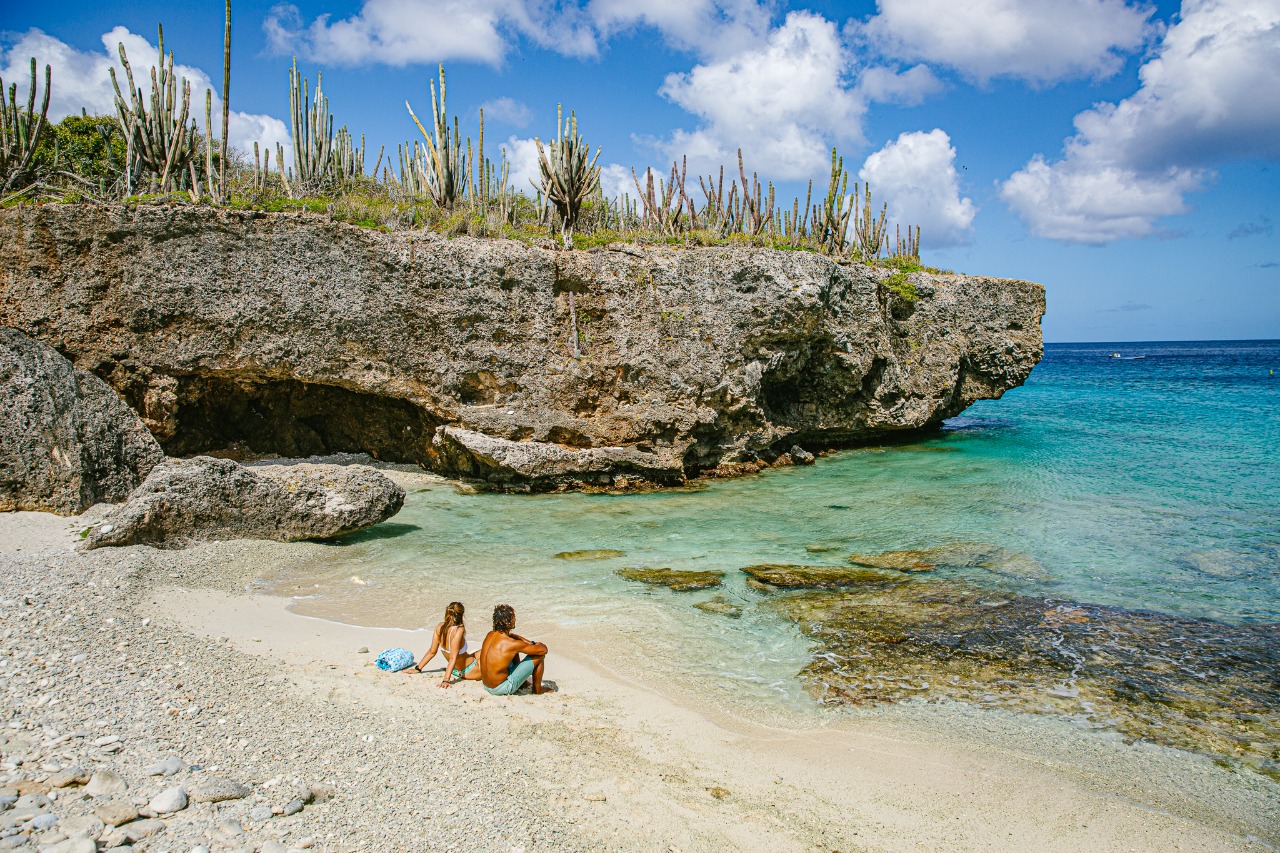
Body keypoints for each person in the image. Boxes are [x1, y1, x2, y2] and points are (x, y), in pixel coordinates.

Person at [479, 604, 552, 695]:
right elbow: (543, 650)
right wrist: (533, 643)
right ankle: (537, 690)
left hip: (486, 685)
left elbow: (512, 642)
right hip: (501, 688)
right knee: (539, 655)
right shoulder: (511, 644)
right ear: (510, 621)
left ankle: (523, 684)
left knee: (513, 652)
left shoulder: (490, 635)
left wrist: (518, 638)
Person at [411, 602, 482, 688]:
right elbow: (453, 658)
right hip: (469, 670)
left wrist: (418, 668)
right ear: (461, 615)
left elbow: (432, 651)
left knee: (483, 650)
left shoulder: (439, 627)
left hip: (455, 669)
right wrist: (445, 680)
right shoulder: (459, 630)